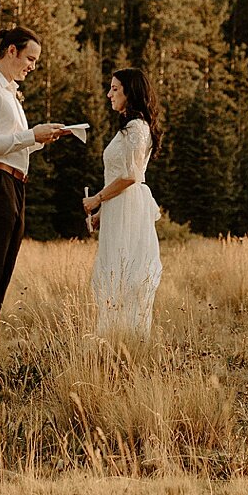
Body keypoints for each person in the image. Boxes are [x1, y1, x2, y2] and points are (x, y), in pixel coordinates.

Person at [0, 26, 72, 340]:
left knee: (2, 272)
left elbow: (13, 142)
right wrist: (29, 135)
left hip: (12, 185)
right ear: (11, 50)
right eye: (30, 58)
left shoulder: (9, 93)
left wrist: (41, 138)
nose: (32, 66)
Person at [82, 68, 163, 340]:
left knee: (126, 272)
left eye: (115, 89)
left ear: (131, 92)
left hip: (130, 208)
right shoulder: (128, 128)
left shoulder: (137, 128)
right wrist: (102, 213)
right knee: (114, 270)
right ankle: (114, 337)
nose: (109, 94)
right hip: (118, 208)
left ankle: (129, 341)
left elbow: (130, 175)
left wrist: (97, 198)